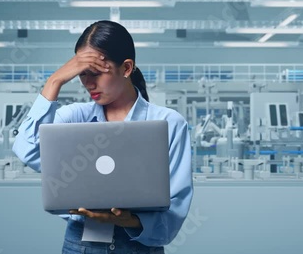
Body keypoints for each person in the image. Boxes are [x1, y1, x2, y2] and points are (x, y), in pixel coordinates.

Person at [13, 20, 193, 254]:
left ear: (126, 68)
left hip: (139, 247)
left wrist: (127, 220)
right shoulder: (74, 117)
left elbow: (174, 214)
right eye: (81, 74)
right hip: (80, 246)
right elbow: (27, 150)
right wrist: (54, 81)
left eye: (96, 73)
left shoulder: (169, 124)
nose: (88, 83)